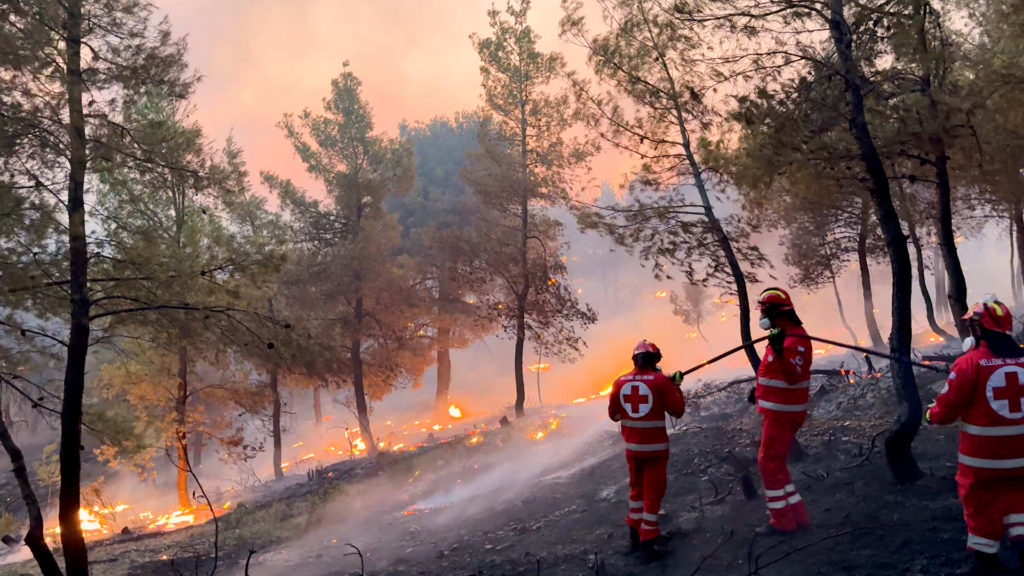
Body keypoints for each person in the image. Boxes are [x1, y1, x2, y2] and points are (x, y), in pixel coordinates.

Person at [926, 295, 1024, 575]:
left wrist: (930, 414)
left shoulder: (969, 364)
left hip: (983, 463)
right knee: (1019, 498)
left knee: (981, 506)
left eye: (972, 327)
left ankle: (987, 560)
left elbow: (944, 411)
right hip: (1022, 457)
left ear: (979, 329)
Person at [608, 339, 686, 560]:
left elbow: (614, 415)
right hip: (655, 450)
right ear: (655, 360)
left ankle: (634, 538)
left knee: (636, 492)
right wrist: (675, 386)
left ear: (635, 360)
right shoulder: (661, 381)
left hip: (632, 450)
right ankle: (648, 545)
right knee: (653, 494)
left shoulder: (619, 382)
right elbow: (677, 411)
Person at [748, 287, 813, 535]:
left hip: (783, 413)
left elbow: (793, 376)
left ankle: (782, 522)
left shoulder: (795, 340)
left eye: (764, 311)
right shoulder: (783, 336)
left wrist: (778, 350)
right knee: (775, 463)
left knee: (767, 463)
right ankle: (798, 516)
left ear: (776, 312)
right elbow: (773, 371)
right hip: (778, 409)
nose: (762, 316)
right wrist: (758, 391)